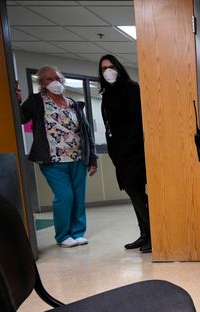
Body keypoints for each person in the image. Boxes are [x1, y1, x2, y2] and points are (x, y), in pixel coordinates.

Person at [18, 66, 98, 248]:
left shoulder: (74, 104)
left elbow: (86, 133)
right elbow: (20, 118)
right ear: (42, 84)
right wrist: (17, 99)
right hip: (52, 160)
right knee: (64, 196)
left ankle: (77, 233)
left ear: (62, 80)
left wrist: (93, 159)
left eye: (56, 77)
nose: (54, 81)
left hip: (78, 158)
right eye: (48, 79)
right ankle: (63, 235)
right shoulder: (37, 101)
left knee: (78, 197)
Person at [98, 54, 151, 254]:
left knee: (136, 193)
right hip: (119, 153)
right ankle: (144, 234)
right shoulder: (107, 94)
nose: (108, 71)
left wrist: (129, 147)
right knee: (133, 193)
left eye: (111, 66)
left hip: (135, 152)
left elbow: (138, 121)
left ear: (119, 68)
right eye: (103, 69)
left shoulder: (131, 89)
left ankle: (153, 235)